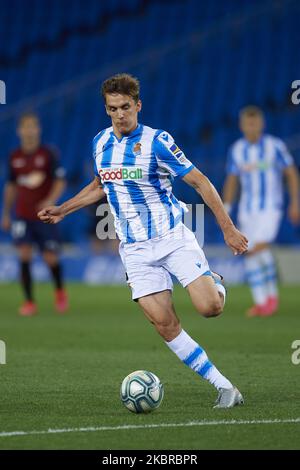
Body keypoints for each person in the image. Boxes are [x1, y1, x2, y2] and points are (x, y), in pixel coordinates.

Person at [38, 73, 248, 408]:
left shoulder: (157, 142)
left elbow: (201, 182)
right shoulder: (100, 143)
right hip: (134, 250)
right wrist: (64, 209)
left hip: (171, 237)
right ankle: (224, 387)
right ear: (106, 110)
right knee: (165, 325)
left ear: (138, 105)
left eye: (124, 107)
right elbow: (100, 184)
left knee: (210, 308)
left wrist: (228, 228)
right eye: (112, 108)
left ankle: (214, 283)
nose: (119, 114)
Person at [223, 106, 300, 317]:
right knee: (250, 253)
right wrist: (226, 208)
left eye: (255, 123)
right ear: (242, 126)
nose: (252, 127)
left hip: (270, 208)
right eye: (248, 123)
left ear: (262, 124)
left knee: (257, 248)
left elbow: (291, 173)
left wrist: (295, 202)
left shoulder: (275, 146)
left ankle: (269, 299)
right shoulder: (237, 149)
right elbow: (232, 180)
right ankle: (263, 301)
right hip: (247, 210)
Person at [1, 112, 68, 316]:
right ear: (19, 131)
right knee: (24, 254)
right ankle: (29, 301)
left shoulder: (48, 154)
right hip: (22, 215)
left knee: (50, 258)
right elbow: (11, 186)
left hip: (44, 215)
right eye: (25, 127)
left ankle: (59, 292)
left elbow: (60, 180)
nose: (29, 130)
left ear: (38, 129)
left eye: (33, 126)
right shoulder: (15, 157)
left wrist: (50, 200)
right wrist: (5, 213)